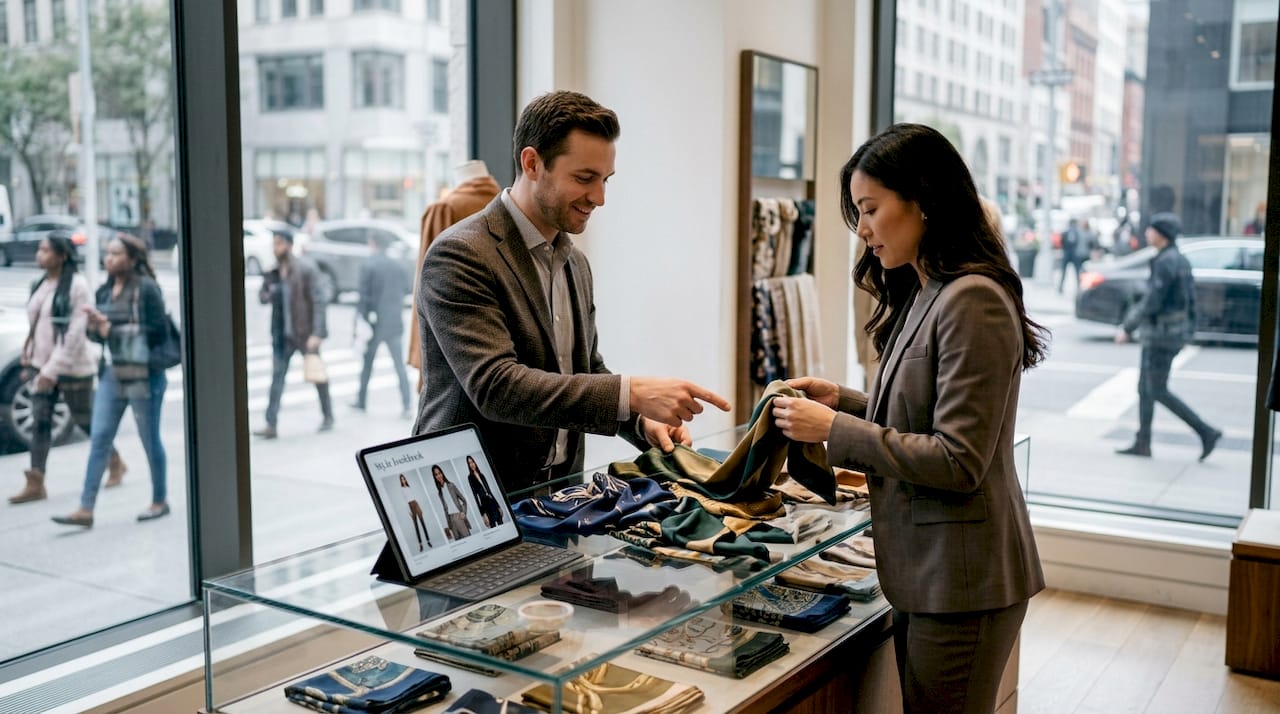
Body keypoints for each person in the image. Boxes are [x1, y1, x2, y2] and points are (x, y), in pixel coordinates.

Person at [770, 123, 1047, 713]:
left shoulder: (972, 299)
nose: (862, 229)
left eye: (870, 209)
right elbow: (920, 412)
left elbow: (959, 459)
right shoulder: (926, 290)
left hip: (963, 582)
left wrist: (833, 431)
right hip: (931, 575)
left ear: (922, 201)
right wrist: (840, 401)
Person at [414, 90, 730, 492]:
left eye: (604, 180)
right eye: (585, 178)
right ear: (532, 163)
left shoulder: (574, 262)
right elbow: (496, 387)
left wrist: (639, 423)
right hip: (470, 497)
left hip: (556, 496)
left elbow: (583, 371)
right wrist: (632, 393)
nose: (599, 198)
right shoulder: (461, 254)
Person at [53, 236, 171, 527]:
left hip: (145, 376)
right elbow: (100, 335)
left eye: (116, 254)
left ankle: (160, 500)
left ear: (133, 259)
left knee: (149, 439)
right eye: (107, 253)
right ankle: (86, 508)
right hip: (113, 373)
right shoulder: (105, 290)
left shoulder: (146, 288)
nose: (109, 259)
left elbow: (158, 332)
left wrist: (111, 329)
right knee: (100, 437)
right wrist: (96, 328)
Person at [10, 232, 127, 504]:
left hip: (73, 366)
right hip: (43, 365)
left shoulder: (77, 285)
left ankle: (115, 461)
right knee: (41, 421)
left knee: (84, 419)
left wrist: (52, 369)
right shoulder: (41, 283)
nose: (40, 255)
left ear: (62, 255)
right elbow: (38, 325)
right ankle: (36, 481)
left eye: (46, 250)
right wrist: (32, 357)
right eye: (39, 250)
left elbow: (75, 334)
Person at [1114, 213, 1223, 460]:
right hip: (1166, 335)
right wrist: (1188, 332)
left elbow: (1152, 301)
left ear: (1161, 234)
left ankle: (1206, 431)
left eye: (1151, 230)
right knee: (1145, 388)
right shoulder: (1179, 259)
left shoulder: (1166, 262)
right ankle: (1143, 442)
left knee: (1156, 390)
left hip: (1161, 336)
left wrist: (1127, 327)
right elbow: (1191, 301)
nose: (1146, 234)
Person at [408, 159, 502, 388]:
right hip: (499, 338)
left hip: (451, 339)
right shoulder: (507, 206)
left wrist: (420, 352)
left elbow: (428, 284)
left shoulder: (445, 208)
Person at [254, 228, 333, 439]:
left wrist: (317, 333)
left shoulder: (305, 268)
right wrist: (268, 287)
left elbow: (319, 300)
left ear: (289, 244)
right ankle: (271, 424)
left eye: (279, 243)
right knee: (277, 378)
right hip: (281, 335)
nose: (275, 247)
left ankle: (328, 415)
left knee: (317, 375)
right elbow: (262, 298)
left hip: (304, 333)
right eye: (274, 243)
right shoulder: (274, 271)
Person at [350, 231, 412, 418]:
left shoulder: (368, 265)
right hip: (394, 322)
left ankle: (361, 400)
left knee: (367, 364)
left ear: (372, 243)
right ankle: (407, 403)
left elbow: (364, 297)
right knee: (399, 365)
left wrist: (360, 322)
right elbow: (407, 289)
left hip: (374, 323)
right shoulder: (398, 266)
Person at [431, 464, 470, 540]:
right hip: (451, 520)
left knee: (468, 539)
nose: (438, 476)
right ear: (435, 477)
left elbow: (463, 500)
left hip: (458, 516)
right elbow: (445, 510)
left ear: (442, 473)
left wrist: (463, 512)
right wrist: (449, 527)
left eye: (439, 473)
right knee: (459, 543)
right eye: (436, 475)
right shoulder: (440, 493)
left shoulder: (451, 485)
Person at [464, 454, 503, 528]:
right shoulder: (470, 478)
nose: (471, 464)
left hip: (492, 503)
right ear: (468, 465)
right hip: (485, 506)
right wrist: (483, 514)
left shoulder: (482, 475)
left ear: (475, 462)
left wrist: (498, 506)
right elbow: (476, 497)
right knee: (493, 528)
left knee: (501, 523)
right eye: (469, 463)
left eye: (472, 462)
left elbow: (490, 491)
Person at [400, 474, 430, 551]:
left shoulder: (409, 487)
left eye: (404, 479)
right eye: (402, 479)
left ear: (405, 479)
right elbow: (404, 501)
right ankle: (420, 544)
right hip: (410, 505)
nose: (403, 480)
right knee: (416, 525)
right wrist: (408, 511)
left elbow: (415, 496)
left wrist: (420, 507)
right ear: (401, 481)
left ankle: (428, 541)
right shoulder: (402, 489)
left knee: (423, 523)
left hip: (416, 504)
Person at [1058, 218, 1085, 293]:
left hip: (1075, 255)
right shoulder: (1065, 233)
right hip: (1067, 254)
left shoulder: (1079, 233)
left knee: (1077, 272)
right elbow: (1062, 243)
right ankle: (1060, 287)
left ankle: (1079, 287)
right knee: (1063, 272)